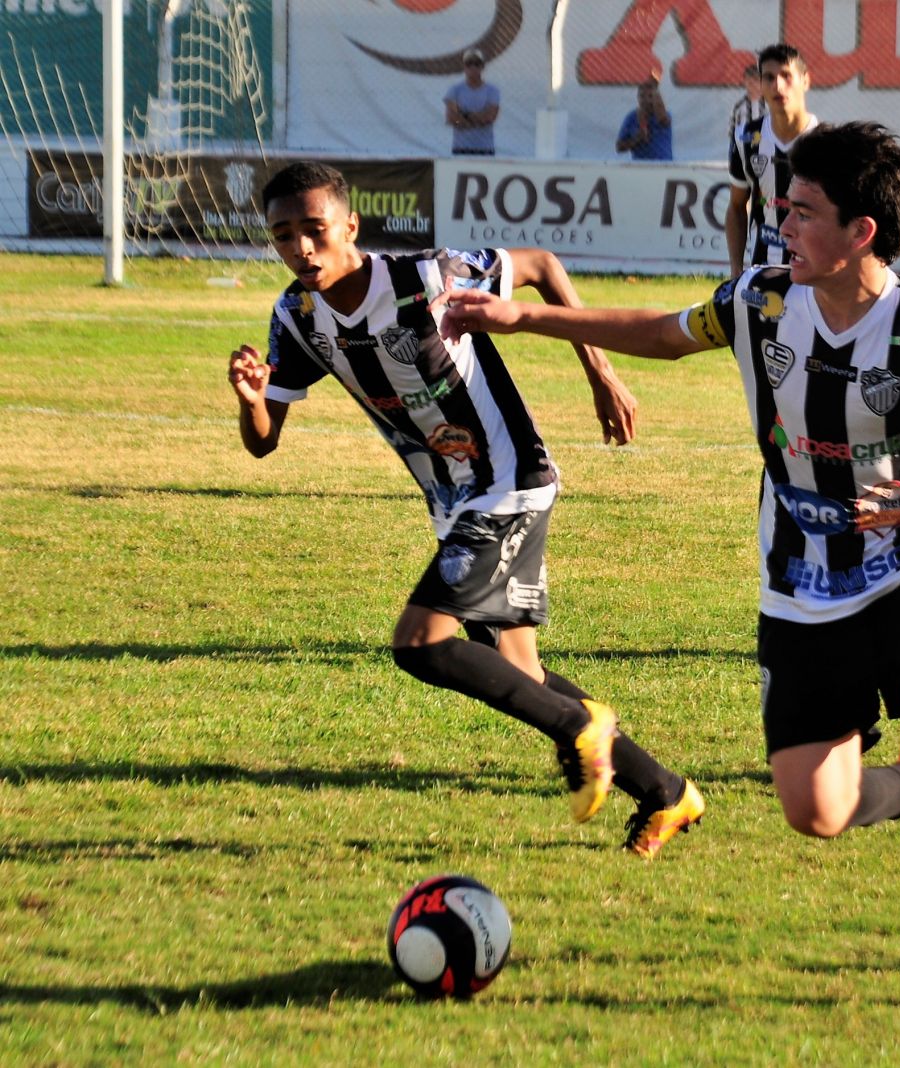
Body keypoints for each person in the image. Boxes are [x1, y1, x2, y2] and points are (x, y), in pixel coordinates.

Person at [439, 122, 900, 1029]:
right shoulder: (761, 299)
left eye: (801, 211)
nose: (779, 222)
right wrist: (532, 318)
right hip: (798, 585)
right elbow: (663, 331)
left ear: (861, 233)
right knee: (816, 810)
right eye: (782, 205)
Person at [227, 161, 703, 860]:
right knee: (521, 674)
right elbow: (263, 445)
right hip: (453, 503)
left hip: (509, 481)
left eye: (314, 230)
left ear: (349, 227)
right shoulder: (296, 319)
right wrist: (249, 403)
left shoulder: (428, 277)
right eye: (283, 236)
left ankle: (583, 730)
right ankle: (667, 792)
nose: (301, 248)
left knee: (419, 642)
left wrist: (601, 372)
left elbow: (540, 263)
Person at [724, 43, 818, 279]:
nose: (778, 85)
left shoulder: (827, 143)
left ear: (805, 80)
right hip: (763, 270)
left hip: (815, 274)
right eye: (769, 78)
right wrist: (736, 266)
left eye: (787, 76)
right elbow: (736, 206)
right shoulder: (745, 138)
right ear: (761, 85)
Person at [444, 48, 499, 157]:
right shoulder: (455, 90)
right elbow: (451, 119)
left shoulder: (492, 90)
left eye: (477, 64)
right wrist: (478, 119)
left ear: (483, 66)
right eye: (469, 64)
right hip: (461, 148)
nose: (473, 67)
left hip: (485, 148)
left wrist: (463, 115)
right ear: (464, 67)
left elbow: (489, 118)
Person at [615, 77, 673, 160]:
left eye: (650, 96)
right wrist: (637, 138)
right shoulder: (631, 118)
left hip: (663, 166)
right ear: (638, 97)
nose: (646, 100)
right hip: (640, 167)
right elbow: (619, 147)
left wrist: (657, 100)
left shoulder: (665, 115)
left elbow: (664, 121)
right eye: (642, 96)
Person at [726, 63, 766, 148]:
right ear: (744, 81)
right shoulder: (738, 106)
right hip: (745, 149)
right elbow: (732, 132)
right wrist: (748, 138)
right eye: (748, 80)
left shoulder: (770, 105)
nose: (752, 83)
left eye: (756, 80)